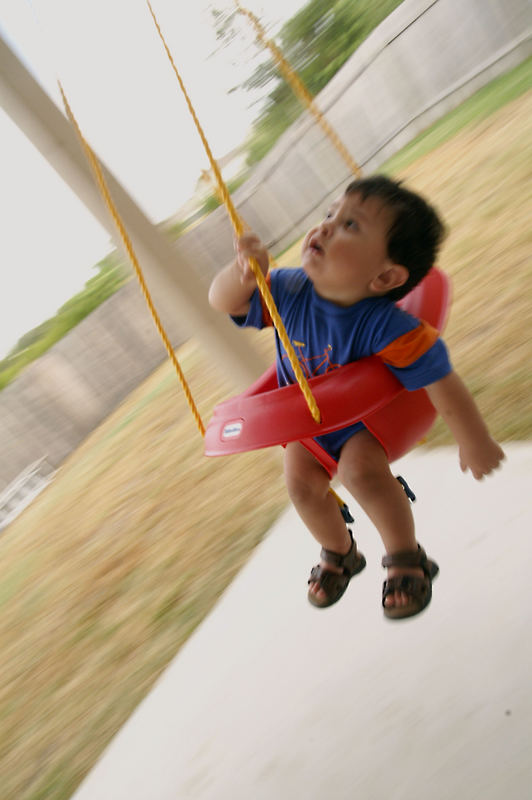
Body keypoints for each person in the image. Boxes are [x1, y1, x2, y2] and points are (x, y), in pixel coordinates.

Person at [208, 176, 504, 620]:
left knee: (360, 473)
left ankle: (406, 558)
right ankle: (340, 551)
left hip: (367, 423)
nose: (324, 227)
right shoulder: (288, 290)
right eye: (330, 214)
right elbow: (224, 302)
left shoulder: (385, 326)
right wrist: (242, 273)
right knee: (300, 485)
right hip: (311, 425)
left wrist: (474, 439)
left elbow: (442, 379)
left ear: (385, 276)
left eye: (349, 225)